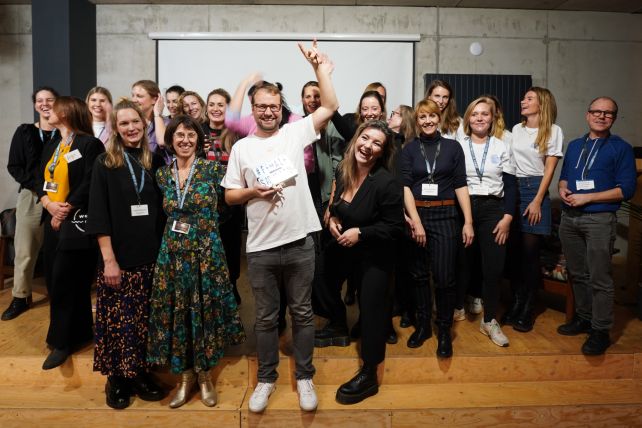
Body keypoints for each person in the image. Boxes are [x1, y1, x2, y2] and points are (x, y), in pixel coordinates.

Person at [221, 41, 338, 413]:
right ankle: (266, 380)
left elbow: (331, 106)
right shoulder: (242, 148)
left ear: (279, 107)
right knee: (267, 318)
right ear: (252, 109)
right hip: (260, 248)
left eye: (274, 105)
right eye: (261, 106)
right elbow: (229, 197)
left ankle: (304, 376)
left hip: (301, 241)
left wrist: (319, 67)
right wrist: (252, 191)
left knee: (302, 313)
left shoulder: (295, 133)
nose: (268, 111)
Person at [146, 115, 245, 408]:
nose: (185, 140)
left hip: (205, 252)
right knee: (178, 314)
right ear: (171, 140)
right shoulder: (162, 175)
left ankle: (205, 377)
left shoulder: (214, 171)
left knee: (204, 312)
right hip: (172, 255)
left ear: (199, 140)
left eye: (190, 135)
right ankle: (185, 377)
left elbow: (228, 209)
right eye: (179, 135)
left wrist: (207, 229)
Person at [87, 99, 166, 409]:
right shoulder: (104, 164)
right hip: (118, 260)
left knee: (144, 321)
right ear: (115, 129)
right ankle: (117, 379)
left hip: (152, 257)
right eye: (124, 124)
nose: (131, 128)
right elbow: (98, 216)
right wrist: (109, 260)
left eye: (135, 122)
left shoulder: (155, 162)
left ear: (143, 124)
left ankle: (140, 373)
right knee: (118, 322)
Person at [319, 121, 403, 404]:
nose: (367, 146)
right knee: (318, 277)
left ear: (382, 151)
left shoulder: (386, 182)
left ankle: (369, 375)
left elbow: (394, 228)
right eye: (365, 138)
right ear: (356, 139)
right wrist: (334, 219)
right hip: (347, 249)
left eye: (376, 143)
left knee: (372, 311)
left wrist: (361, 232)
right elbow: (336, 206)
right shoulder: (345, 172)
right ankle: (337, 324)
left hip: (376, 255)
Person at [557, 97, 636, 355]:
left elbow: (626, 189)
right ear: (587, 114)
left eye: (608, 113)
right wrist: (563, 189)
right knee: (578, 273)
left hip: (599, 219)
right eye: (597, 111)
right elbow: (565, 177)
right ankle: (584, 317)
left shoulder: (621, 148)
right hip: (570, 218)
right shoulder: (575, 145)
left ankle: (600, 330)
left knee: (600, 277)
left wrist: (588, 197)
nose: (601, 116)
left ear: (613, 118)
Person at [36, 96, 105, 370]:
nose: (49, 111)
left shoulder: (89, 144)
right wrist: (49, 204)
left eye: (55, 108)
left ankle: (61, 342)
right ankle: (78, 333)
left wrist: (65, 209)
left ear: (67, 113)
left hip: (75, 221)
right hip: (53, 219)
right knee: (54, 280)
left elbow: (90, 180)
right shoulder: (53, 144)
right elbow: (43, 181)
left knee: (67, 281)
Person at [401, 99, 474, 357]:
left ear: (439, 118)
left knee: (444, 278)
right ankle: (423, 327)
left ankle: (444, 330)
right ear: (417, 120)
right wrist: (416, 220)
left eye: (432, 116)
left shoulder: (453, 148)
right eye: (422, 117)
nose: (428, 121)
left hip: (446, 216)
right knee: (419, 275)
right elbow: (406, 186)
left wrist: (468, 221)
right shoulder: (410, 150)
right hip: (417, 215)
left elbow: (460, 185)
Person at [502, 87, 563, 332]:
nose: (523, 101)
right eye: (523, 97)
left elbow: (549, 169)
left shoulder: (553, 130)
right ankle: (515, 304)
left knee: (530, 255)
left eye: (529, 99)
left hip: (535, 188)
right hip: (514, 188)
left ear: (542, 104)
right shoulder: (516, 129)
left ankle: (528, 308)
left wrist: (537, 200)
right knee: (514, 253)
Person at [457, 96, 517, 347]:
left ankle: (489, 320)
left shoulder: (501, 146)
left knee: (493, 267)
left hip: (494, 208)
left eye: (485, 114)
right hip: (464, 207)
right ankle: (458, 306)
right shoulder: (457, 145)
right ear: (468, 119)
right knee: (461, 262)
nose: (479, 118)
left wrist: (507, 217)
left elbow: (511, 185)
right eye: (474, 114)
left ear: (493, 118)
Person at [2, 86, 59, 321]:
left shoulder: (66, 133)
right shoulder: (24, 131)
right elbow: (14, 166)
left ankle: (61, 295)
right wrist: (38, 189)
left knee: (58, 250)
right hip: (31, 196)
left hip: (61, 199)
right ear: (35, 105)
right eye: (40, 100)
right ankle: (21, 296)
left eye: (50, 100)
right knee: (25, 250)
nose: (45, 104)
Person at [202, 88, 243, 304]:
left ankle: (232, 285)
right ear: (206, 107)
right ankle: (210, 290)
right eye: (212, 104)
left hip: (230, 201)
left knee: (231, 246)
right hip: (204, 204)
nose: (216, 109)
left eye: (221, 105)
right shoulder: (198, 132)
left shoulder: (236, 134)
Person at [387, 104, 417, 331]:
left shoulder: (412, 148)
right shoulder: (390, 144)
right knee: (394, 264)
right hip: (393, 211)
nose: (391, 116)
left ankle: (409, 310)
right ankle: (397, 306)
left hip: (411, 212)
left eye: (396, 114)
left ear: (405, 120)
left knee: (409, 266)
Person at [131, 80, 170, 163]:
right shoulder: (131, 124)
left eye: (139, 96)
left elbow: (162, 141)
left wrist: (157, 113)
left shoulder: (167, 123)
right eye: (133, 95)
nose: (134, 100)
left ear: (155, 99)